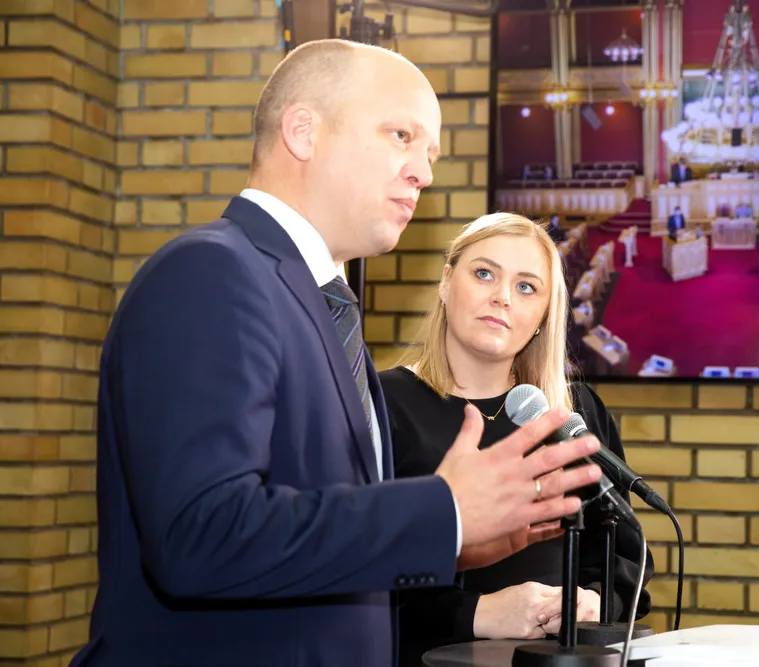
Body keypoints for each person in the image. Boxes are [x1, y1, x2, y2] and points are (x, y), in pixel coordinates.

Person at [70, 40, 605, 667]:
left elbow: (311, 550)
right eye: (401, 136)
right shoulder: (210, 272)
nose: (424, 174)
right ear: (303, 132)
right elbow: (201, 535)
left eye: (430, 155)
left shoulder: (321, 304)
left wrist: (453, 542)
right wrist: (442, 514)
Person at [379, 212, 654, 667]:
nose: (502, 297)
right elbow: (351, 569)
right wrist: (478, 613)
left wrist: (594, 601)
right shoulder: (378, 404)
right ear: (446, 282)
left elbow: (622, 557)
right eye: (484, 274)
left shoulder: (574, 411)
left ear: (545, 315)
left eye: (526, 287)